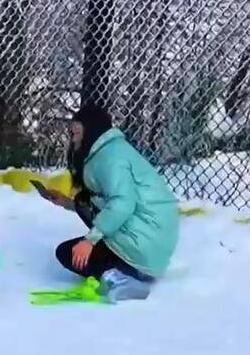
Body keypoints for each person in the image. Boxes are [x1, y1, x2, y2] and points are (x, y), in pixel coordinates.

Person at [40, 104, 179, 300]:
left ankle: (125, 278)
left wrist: (90, 240)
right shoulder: (111, 150)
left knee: (67, 253)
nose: (74, 139)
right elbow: (103, 201)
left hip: (142, 249)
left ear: (91, 130)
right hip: (148, 244)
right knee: (78, 235)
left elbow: (123, 203)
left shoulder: (110, 157)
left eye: (77, 132)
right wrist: (68, 203)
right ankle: (129, 268)